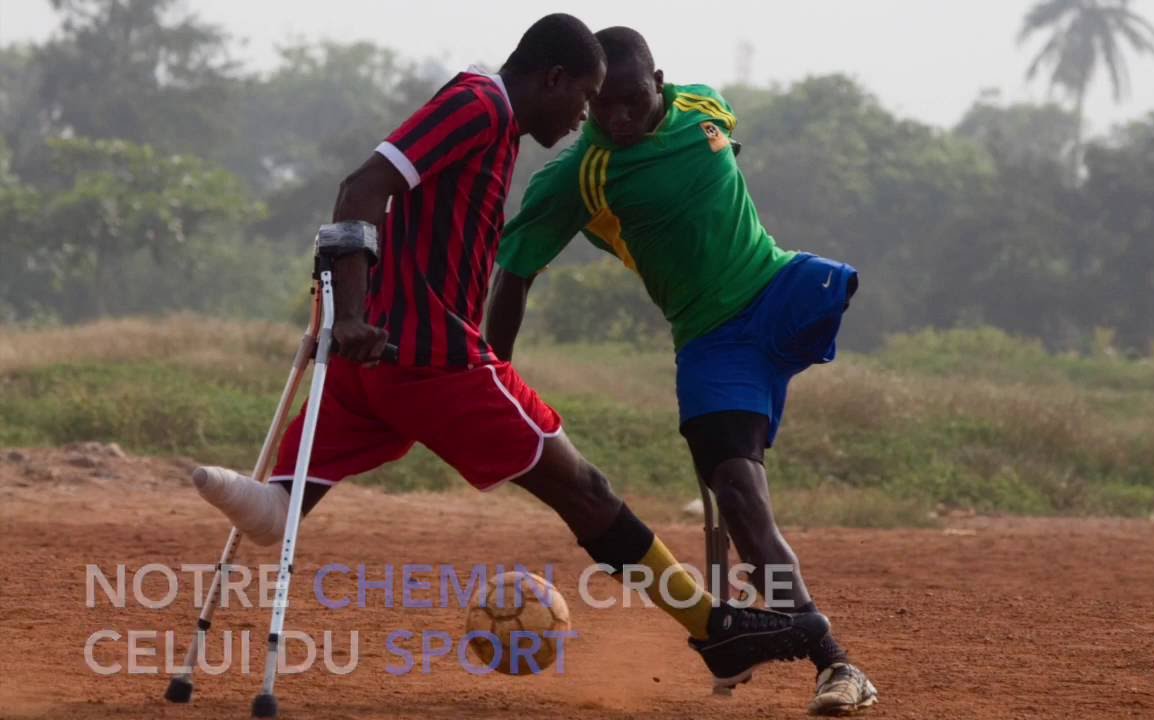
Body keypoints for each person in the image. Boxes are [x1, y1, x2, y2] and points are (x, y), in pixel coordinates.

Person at [189, 13, 827, 689]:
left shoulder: (491, 120)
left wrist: (355, 319)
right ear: (553, 79)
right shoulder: (480, 106)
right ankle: (715, 632)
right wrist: (348, 313)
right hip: (436, 360)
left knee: (279, 509)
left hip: (371, 366)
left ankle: (267, 503)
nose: (583, 120)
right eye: (584, 99)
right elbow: (362, 188)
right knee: (586, 492)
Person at [485, 26, 878, 715]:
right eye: (602, 106)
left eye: (633, 102)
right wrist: (495, 377)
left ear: (660, 84)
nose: (617, 119)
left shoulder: (704, 106)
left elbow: (723, 155)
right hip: (712, 344)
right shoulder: (581, 174)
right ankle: (835, 664)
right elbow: (513, 274)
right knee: (741, 499)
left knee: (844, 283)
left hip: (780, 287)